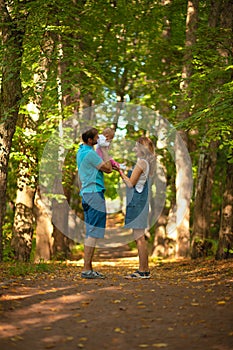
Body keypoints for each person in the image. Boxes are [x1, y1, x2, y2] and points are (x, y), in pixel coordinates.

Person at [76, 126, 112, 279]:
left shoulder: (81, 151)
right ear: (90, 140)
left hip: (87, 194)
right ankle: (86, 269)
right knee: (93, 232)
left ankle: (88, 269)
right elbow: (108, 168)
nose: (99, 140)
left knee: (91, 231)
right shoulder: (90, 154)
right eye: (97, 138)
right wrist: (104, 149)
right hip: (94, 194)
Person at [118, 136, 156, 279]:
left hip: (137, 203)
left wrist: (119, 171)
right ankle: (145, 270)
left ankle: (142, 270)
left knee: (139, 237)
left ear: (141, 148)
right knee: (140, 237)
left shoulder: (141, 162)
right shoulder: (145, 162)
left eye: (136, 146)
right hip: (140, 202)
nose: (134, 148)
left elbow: (130, 183)